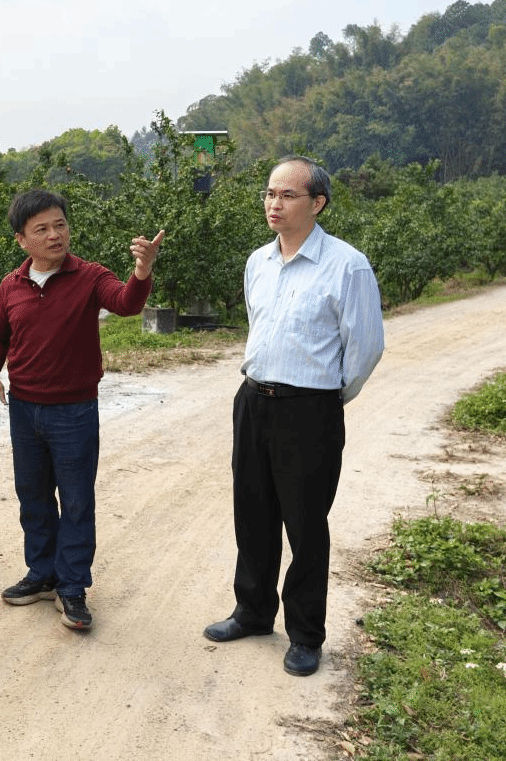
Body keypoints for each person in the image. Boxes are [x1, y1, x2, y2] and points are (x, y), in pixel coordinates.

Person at [203, 156, 384, 676]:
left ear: (317, 203)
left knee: (305, 524)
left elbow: (365, 347)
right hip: (253, 400)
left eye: (287, 195)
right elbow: (257, 325)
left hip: (309, 410)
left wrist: (325, 398)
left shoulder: (347, 265)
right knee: (252, 512)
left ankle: (305, 634)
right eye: (269, 193)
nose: (274, 203)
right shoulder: (258, 262)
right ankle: (253, 611)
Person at [0, 189, 163, 632]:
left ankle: (73, 586)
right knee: (34, 496)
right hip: (25, 410)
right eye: (41, 229)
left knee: (77, 500)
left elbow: (126, 303)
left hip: (74, 411)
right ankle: (42, 574)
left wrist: (142, 270)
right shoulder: (12, 285)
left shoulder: (90, 276)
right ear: (21, 239)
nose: (54, 235)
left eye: (59, 225)